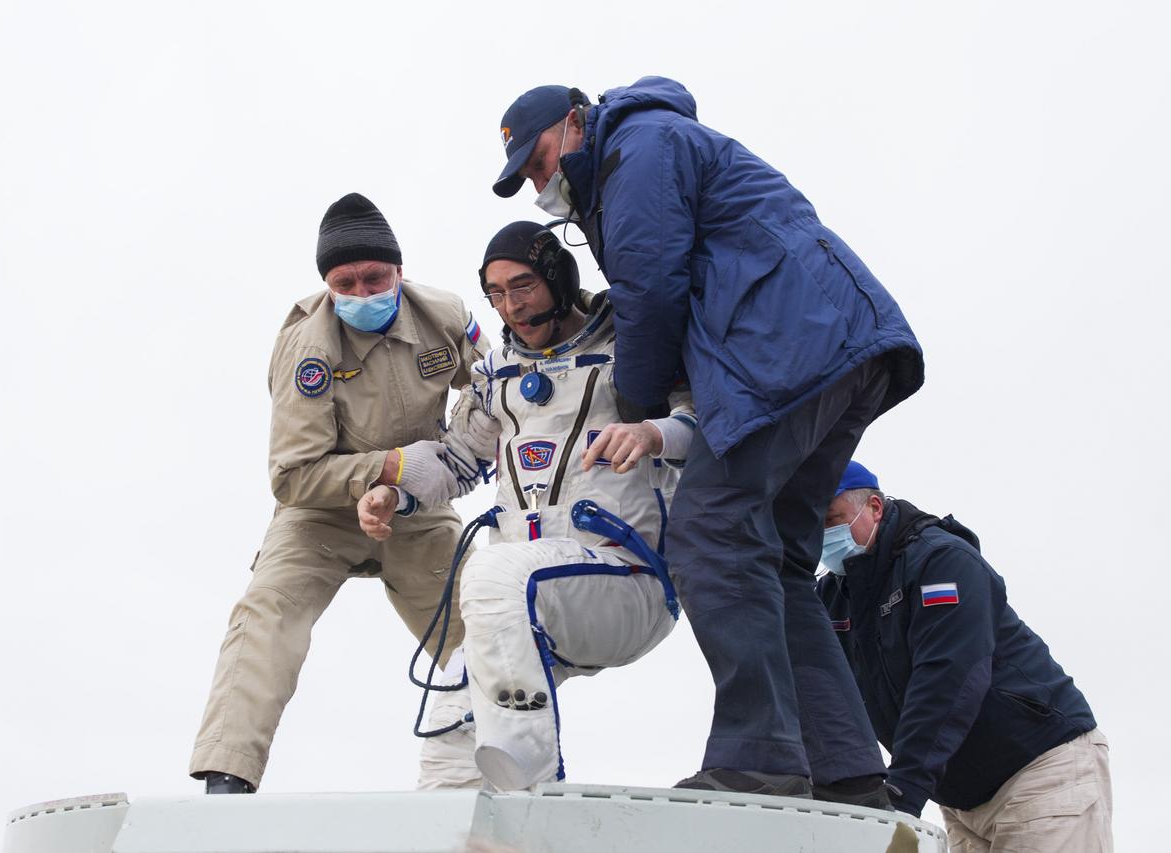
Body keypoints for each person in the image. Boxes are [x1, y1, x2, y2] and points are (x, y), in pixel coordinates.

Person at [489, 78, 924, 803]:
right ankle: (846, 771)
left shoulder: (637, 150)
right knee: (778, 556)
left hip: (789, 349)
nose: (541, 185)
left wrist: (638, 404)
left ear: (574, 123)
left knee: (711, 529)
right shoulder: (636, 155)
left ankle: (758, 754)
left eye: (539, 162)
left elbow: (650, 289)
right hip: (835, 347)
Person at [358, 221, 692, 791]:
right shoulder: (496, 377)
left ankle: (529, 766)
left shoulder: (631, 348)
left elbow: (707, 423)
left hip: (625, 579)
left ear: (558, 279)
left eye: (523, 287)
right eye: (496, 294)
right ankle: (474, 826)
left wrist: (653, 434)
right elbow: (458, 458)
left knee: (491, 575)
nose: (511, 307)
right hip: (526, 605)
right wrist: (395, 490)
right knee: (449, 730)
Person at [188, 193, 490, 793]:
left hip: (417, 510)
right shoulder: (307, 348)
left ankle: (511, 773)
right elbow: (292, 474)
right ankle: (226, 780)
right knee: (267, 613)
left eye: (375, 278)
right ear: (327, 285)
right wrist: (389, 468)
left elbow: (497, 385)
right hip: (319, 513)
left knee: (488, 626)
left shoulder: (446, 315)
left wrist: (454, 461)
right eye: (344, 283)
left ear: (399, 270)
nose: (361, 293)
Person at [818, 461, 1112, 850]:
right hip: (960, 801)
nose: (823, 535)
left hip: (1040, 772)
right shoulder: (834, 597)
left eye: (832, 520)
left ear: (874, 507)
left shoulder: (940, 561)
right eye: (814, 525)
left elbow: (948, 677)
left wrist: (903, 793)